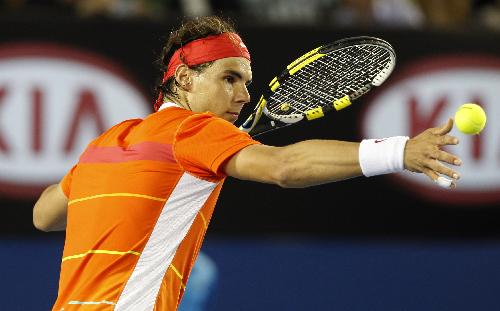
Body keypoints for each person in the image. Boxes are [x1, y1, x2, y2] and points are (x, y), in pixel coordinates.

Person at [33, 15, 461, 311]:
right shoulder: (193, 130)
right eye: (229, 78)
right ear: (184, 79)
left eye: (247, 83)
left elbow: (44, 214)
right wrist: (398, 152)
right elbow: (284, 167)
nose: (243, 96)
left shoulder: (107, 142)